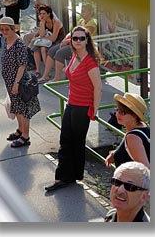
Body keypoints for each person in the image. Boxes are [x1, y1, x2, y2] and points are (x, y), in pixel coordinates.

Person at [45, 26, 102, 191]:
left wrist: (94, 110)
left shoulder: (90, 62)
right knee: (67, 140)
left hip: (83, 107)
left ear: (87, 40)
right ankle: (68, 176)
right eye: (75, 38)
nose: (78, 41)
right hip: (72, 104)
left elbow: (98, 87)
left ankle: (66, 177)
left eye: (81, 38)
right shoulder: (74, 56)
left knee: (74, 142)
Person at [0, 17, 41, 147]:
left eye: (7, 29)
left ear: (13, 29)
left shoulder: (19, 43)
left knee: (23, 109)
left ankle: (25, 136)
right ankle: (20, 130)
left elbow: (22, 65)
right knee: (16, 107)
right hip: (10, 81)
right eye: (2, 30)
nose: (4, 32)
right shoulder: (6, 40)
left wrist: (16, 83)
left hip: (19, 82)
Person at [38, 3, 97, 83]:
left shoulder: (92, 24)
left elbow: (82, 37)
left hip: (82, 46)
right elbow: (72, 32)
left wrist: (68, 41)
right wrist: (65, 39)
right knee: (51, 51)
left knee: (60, 53)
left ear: (90, 12)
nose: (82, 13)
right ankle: (45, 76)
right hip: (73, 43)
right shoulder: (81, 21)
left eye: (84, 12)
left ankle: (57, 78)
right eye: (82, 11)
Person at [105, 92, 150, 169]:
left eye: (122, 112)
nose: (117, 114)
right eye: (117, 110)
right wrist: (115, 153)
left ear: (134, 115)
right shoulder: (142, 126)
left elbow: (145, 169)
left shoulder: (133, 137)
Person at [31, 5, 65, 78]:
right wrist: (42, 23)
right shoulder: (43, 22)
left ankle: (47, 71)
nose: (42, 16)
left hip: (59, 41)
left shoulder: (56, 22)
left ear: (49, 14)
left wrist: (43, 37)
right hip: (47, 41)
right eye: (40, 14)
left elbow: (53, 38)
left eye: (44, 14)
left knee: (43, 48)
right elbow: (42, 34)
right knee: (36, 48)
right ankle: (38, 70)